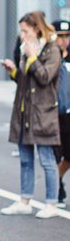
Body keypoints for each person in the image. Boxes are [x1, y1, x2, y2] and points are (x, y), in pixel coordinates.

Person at [0, 12, 62, 219]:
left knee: (47, 160)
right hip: (25, 113)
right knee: (25, 160)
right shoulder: (26, 49)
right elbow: (26, 81)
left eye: (25, 31)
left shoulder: (53, 50)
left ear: (37, 29)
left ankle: (51, 203)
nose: (22, 36)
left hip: (43, 114)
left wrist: (33, 57)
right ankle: (25, 201)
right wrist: (13, 71)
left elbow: (44, 77)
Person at [51, 19, 70, 206]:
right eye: (60, 36)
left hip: (69, 113)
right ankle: (56, 186)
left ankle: (57, 178)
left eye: (67, 36)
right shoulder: (49, 55)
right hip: (53, 112)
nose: (64, 40)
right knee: (56, 152)